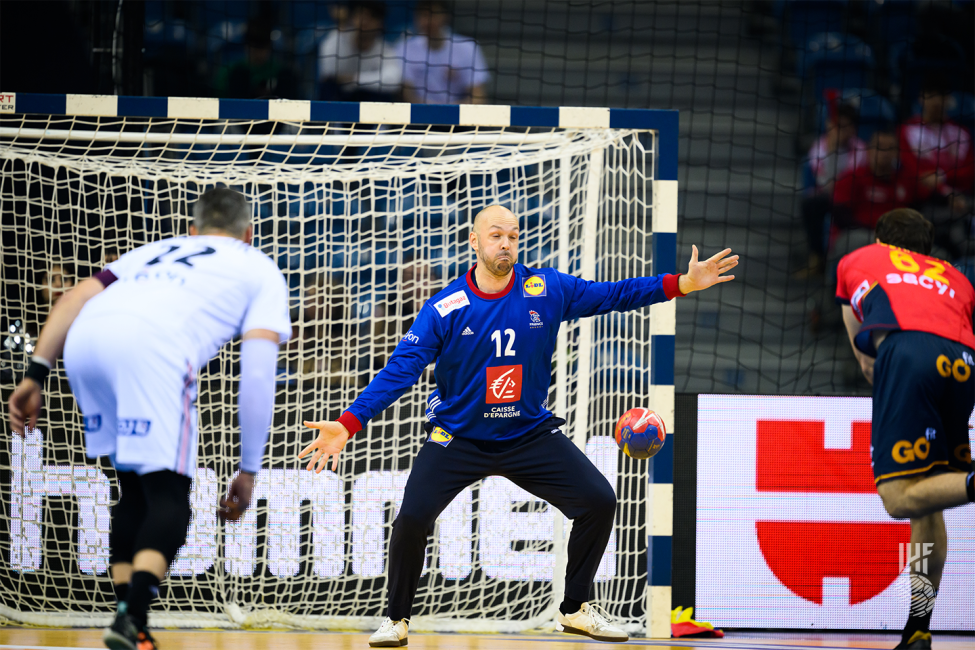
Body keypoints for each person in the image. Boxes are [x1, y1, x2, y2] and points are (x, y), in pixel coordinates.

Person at [298, 204, 738, 646]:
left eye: (512, 234)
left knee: (599, 501)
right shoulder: (446, 307)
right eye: (495, 235)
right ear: (474, 242)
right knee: (412, 516)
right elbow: (400, 369)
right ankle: (396, 619)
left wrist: (681, 284)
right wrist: (348, 423)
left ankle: (575, 609)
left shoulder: (545, 288)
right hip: (458, 437)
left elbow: (613, 295)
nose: (505, 242)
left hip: (528, 435)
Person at [7, 188, 291, 650]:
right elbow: (257, 372)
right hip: (151, 350)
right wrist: (249, 469)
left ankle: (130, 623)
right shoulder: (257, 265)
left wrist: (35, 373)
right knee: (171, 495)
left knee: (136, 488)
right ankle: (132, 617)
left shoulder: (156, 250)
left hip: (85, 341)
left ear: (193, 230)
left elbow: (77, 295)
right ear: (249, 233)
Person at [835, 208, 975, 650]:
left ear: (881, 240)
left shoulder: (859, 258)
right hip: (963, 362)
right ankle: (918, 629)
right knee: (926, 504)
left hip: (908, 352)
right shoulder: (957, 276)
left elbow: (866, 363)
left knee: (897, 498)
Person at [799, 102, 867, 275]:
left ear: (853, 128)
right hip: (830, 198)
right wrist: (832, 149)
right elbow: (824, 183)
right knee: (810, 204)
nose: (842, 131)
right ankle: (817, 258)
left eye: (846, 126)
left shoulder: (860, 149)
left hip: (855, 199)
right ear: (830, 124)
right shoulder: (819, 147)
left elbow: (854, 182)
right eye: (838, 125)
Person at [398, 0, 490, 104]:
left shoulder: (468, 47)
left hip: (457, 115)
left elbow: (478, 96)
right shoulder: (405, 48)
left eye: (434, 14)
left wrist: (447, 112)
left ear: (445, 17)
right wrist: (431, 111)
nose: (428, 21)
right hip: (418, 114)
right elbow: (407, 95)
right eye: (423, 15)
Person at [900, 77, 975, 199]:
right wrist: (943, 191)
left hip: (962, 199)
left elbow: (969, 171)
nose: (936, 101)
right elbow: (911, 170)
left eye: (941, 96)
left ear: (949, 99)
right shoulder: (907, 130)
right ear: (921, 98)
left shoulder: (962, 133)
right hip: (924, 199)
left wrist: (942, 177)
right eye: (931, 95)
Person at [318, 0, 403, 102]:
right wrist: (342, 25)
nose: (364, 21)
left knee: (381, 95)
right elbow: (328, 71)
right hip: (338, 100)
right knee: (328, 86)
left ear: (380, 23)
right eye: (360, 14)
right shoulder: (337, 39)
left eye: (371, 16)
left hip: (368, 101)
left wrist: (354, 79)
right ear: (352, 17)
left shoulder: (385, 50)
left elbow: (394, 81)